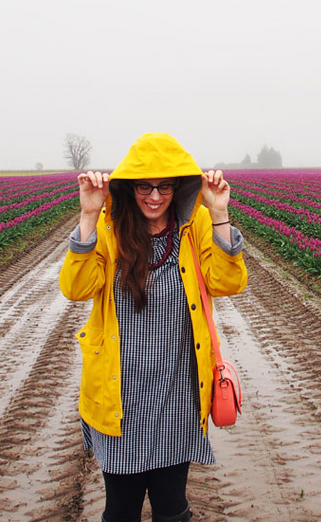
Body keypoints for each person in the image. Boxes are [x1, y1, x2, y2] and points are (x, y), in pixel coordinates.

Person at [59, 132, 247, 522]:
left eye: (164, 186)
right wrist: (89, 215)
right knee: (121, 510)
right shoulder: (111, 230)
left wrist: (218, 213)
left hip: (178, 392)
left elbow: (228, 282)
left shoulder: (191, 227)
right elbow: (76, 289)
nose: (155, 196)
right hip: (120, 396)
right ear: (130, 187)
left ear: (178, 187)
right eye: (145, 186)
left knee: (172, 508)